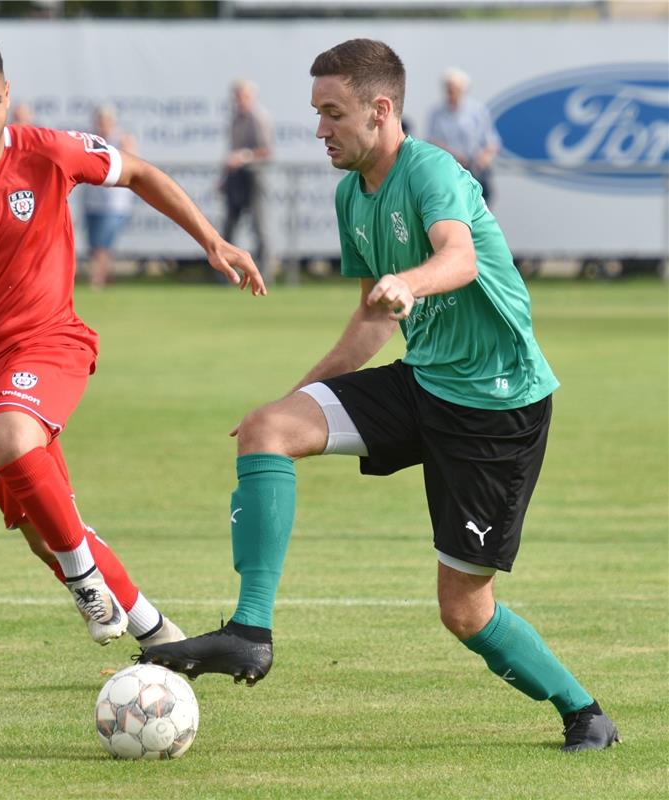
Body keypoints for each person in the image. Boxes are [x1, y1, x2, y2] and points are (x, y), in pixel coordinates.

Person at [141, 38, 619, 753]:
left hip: (495, 409)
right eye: (316, 114)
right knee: (266, 431)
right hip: (422, 381)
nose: (319, 130)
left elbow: (456, 256)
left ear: (380, 109)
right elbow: (371, 321)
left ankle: (584, 713)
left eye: (332, 114)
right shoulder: (350, 195)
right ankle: (248, 632)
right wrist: (293, 397)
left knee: (463, 611)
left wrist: (411, 281)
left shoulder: (431, 170)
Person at [0, 36, 265, 650]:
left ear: (8, 96)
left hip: (50, 340)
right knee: (45, 531)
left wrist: (212, 241)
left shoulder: (49, 151)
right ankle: (160, 636)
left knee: (13, 436)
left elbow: (139, 172)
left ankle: (86, 581)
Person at [221, 79, 273, 283]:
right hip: (235, 179)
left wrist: (243, 157)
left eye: (243, 96)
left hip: (254, 177)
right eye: (237, 97)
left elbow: (266, 151)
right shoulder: (235, 119)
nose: (240, 101)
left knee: (260, 228)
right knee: (228, 228)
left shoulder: (259, 118)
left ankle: (264, 274)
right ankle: (225, 275)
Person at [80, 107, 136, 289]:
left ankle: (97, 279)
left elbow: (133, 165)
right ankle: (104, 274)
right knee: (94, 244)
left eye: (105, 120)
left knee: (103, 243)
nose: (102, 124)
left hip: (115, 203)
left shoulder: (121, 140)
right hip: (92, 200)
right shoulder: (89, 140)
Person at [427, 67, 500, 204]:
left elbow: (491, 141)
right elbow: (432, 142)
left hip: (476, 170)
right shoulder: (436, 113)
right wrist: (453, 155)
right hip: (449, 171)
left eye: (454, 89)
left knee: (481, 202)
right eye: (448, 88)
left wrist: (484, 157)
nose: (451, 93)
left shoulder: (477, 110)